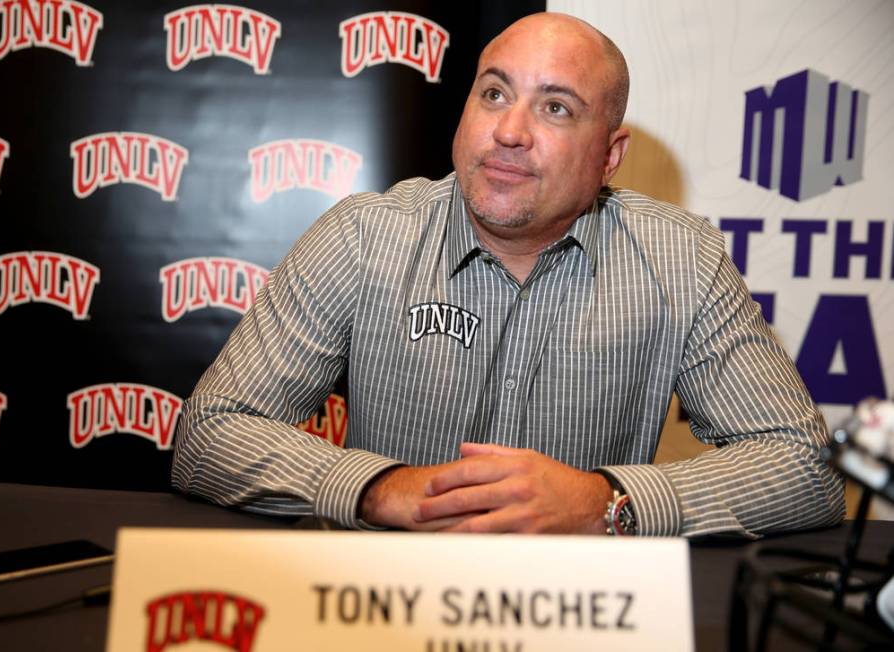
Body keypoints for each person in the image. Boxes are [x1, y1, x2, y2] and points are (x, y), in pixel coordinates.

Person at [172, 13, 845, 537]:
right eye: (495, 93)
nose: (510, 131)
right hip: (383, 605)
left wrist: (604, 505)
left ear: (609, 155)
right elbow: (211, 432)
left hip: (580, 614)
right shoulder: (363, 235)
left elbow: (803, 467)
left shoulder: (682, 261)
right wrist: (384, 488)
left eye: (556, 107)